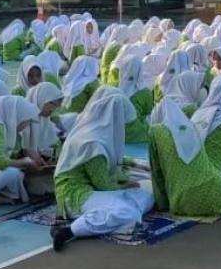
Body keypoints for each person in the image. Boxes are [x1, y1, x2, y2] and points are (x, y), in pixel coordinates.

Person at [50, 92, 154, 251]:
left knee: (146, 195)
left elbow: (110, 164)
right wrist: (125, 186)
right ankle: (69, 231)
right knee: (126, 212)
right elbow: (103, 184)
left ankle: (113, 216)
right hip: (75, 194)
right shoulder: (92, 144)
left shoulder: (96, 134)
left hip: (93, 189)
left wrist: (131, 174)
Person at [149, 98, 221, 218]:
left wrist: (162, 204)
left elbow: (157, 172)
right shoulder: (191, 128)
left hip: (183, 203)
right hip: (219, 196)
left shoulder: (155, 131)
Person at [23, 83, 67, 164]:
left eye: (56, 107)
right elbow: (25, 148)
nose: (52, 110)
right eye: (52, 104)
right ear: (42, 99)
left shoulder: (44, 120)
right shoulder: (24, 118)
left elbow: (52, 141)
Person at [116, 55, 154, 144]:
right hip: (135, 132)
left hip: (114, 130)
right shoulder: (145, 92)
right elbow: (147, 113)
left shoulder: (114, 87)